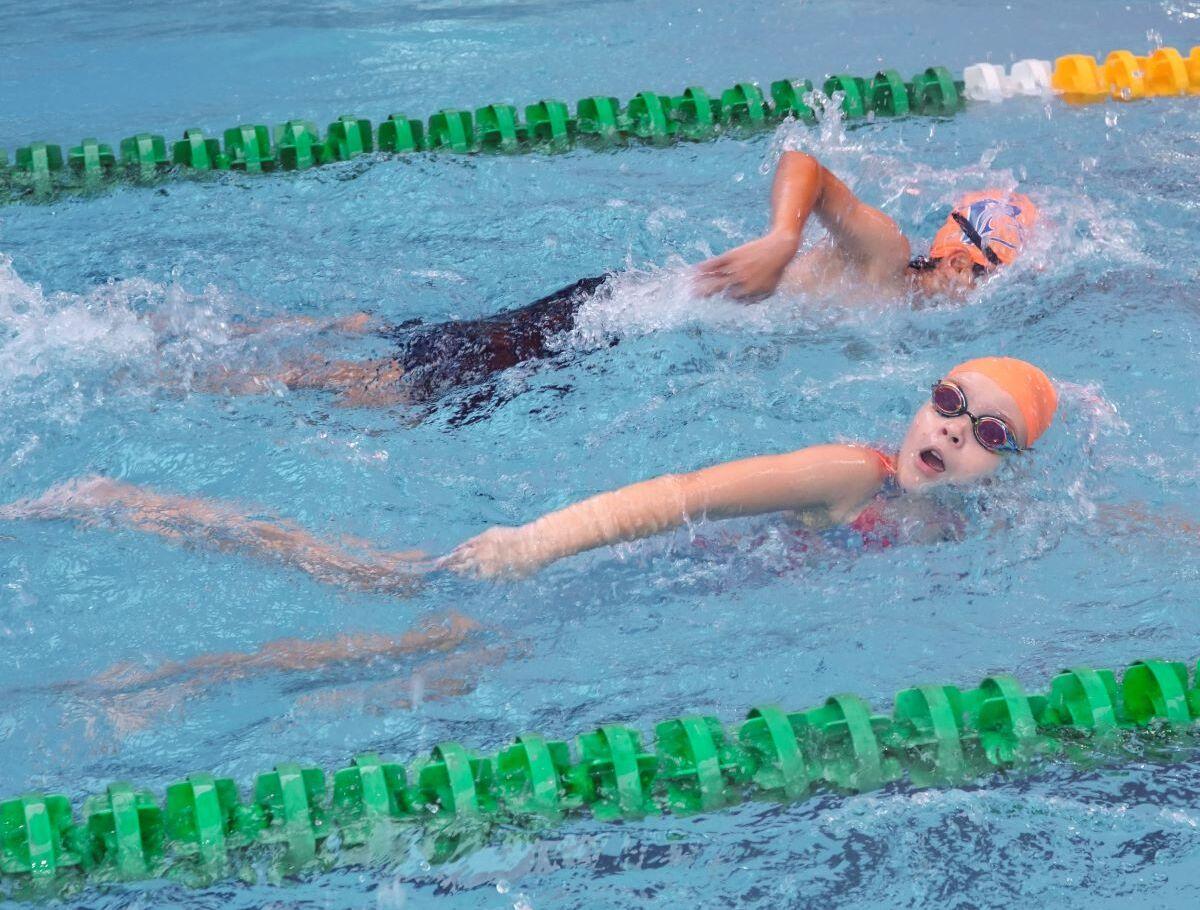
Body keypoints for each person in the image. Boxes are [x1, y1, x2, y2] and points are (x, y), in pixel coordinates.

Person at [1, 356, 1057, 588]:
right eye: (950, 399)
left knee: (422, 644)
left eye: (990, 433)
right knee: (392, 580)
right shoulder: (845, 471)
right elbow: (680, 498)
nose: (954, 428)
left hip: (665, 594)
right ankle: (123, 503)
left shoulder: (960, 524)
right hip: (601, 564)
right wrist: (537, 541)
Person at [208, 153, 1038, 411]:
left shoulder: (900, 300)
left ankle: (259, 342)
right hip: (604, 329)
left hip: (610, 324)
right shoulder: (886, 256)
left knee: (405, 347)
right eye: (991, 273)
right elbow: (804, 163)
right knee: (381, 394)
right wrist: (781, 239)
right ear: (971, 262)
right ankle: (205, 378)